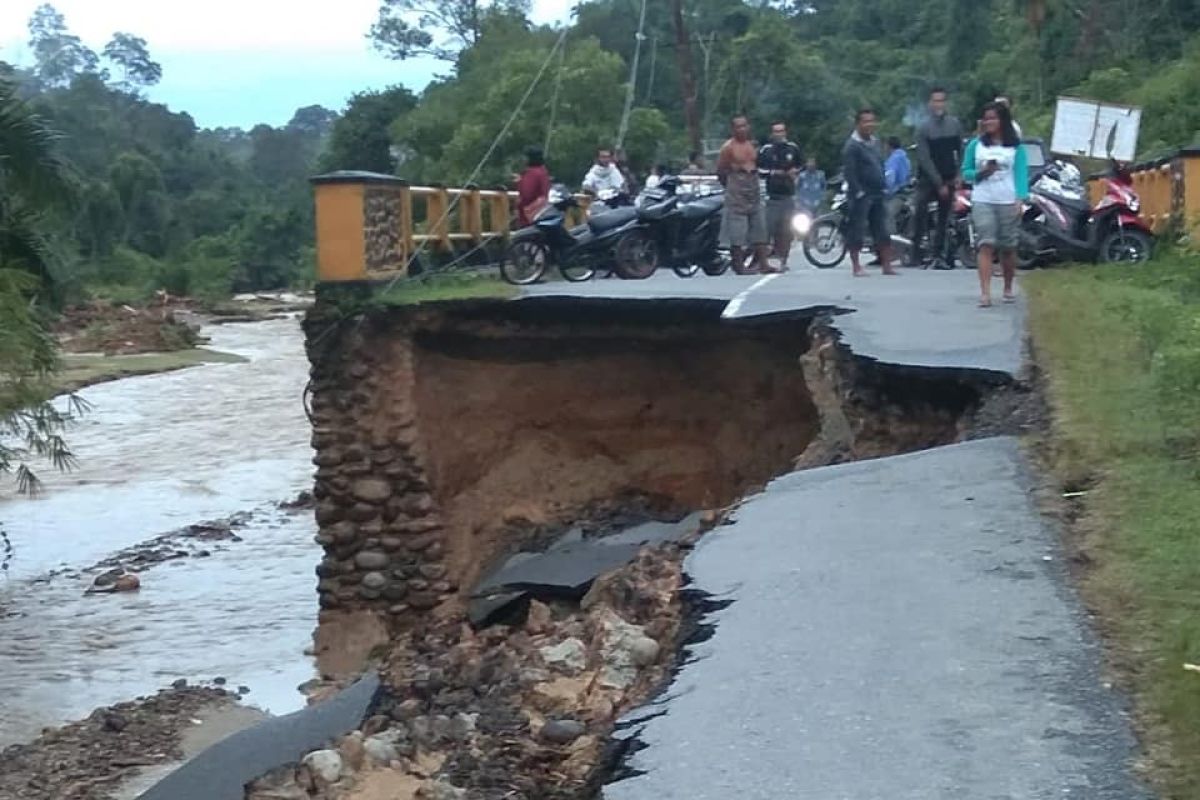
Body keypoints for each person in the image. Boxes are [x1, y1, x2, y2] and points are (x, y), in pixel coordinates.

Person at [962, 101, 1028, 308]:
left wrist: (1020, 198)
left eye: (994, 118)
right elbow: (966, 172)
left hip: (1007, 200)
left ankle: (1008, 286)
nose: (989, 122)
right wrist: (981, 173)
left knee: (1008, 247)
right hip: (983, 199)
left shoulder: (1015, 148)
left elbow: (1021, 175)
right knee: (986, 243)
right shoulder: (976, 145)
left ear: (1003, 121)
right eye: (986, 118)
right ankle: (985, 292)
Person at [912, 87, 964, 269]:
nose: (938, 104)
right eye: (935, 101)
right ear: (930, 104)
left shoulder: (955, 124)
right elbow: (924, 157)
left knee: (945, 217)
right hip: (928, 179)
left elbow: (961, 150)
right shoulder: (924, 128)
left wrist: (959, 174)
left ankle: (940, 254)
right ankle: (916, 252)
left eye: (942, 101)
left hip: (949, 176)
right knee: (919, 211)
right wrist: (938, 182)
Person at [842, 108, 896, 277]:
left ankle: (886, 265)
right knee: (857, 229)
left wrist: (884, 184)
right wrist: (857, 191)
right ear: (858, 124)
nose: (870, 124)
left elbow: (880, 164)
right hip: (861, 194)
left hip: (878, 192)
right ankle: (856, 266)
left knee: (882, 229)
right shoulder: (852, 146)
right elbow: (850, 172)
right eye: (865, 121)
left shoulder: (875, 142)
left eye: (872, 121)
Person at [717, 114, 771, 275]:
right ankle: (738, 265)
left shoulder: (750, 145)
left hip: (752, 186)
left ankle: (763, 263)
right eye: (739, 126)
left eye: (745, 125)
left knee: (759, 226)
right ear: (733, 129)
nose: (742, 129)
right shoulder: (728, 147)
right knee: (737, 230)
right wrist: (731, 186)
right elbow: (721, 171)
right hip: (736, 188)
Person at [757, 121, 804, 270]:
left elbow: (801, 166)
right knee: (767, 230)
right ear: (772, 134)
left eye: (781, 131)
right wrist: (773, 173)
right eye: (776, 131)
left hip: (788, 195)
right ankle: (762, 261)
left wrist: (794, 172)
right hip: (771, 196)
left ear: (785, 132)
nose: (779, 134)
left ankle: (784, 260)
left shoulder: (793, 148)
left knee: (786, 231)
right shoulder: (766, 150)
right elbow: (759, 170)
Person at [515, 147, 550, 228]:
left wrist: (519, 182)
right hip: (542, 212)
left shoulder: (532, 173)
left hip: (529, 214)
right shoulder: (543, 171)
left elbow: (527, 193)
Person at [884, 135, 911, 230]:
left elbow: (890, 178)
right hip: (906, 194)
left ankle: (889, 241)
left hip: (897, 195)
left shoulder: (894, 159)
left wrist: (885, 191)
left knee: (886, 214)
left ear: (889, 146)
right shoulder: (905, 158)